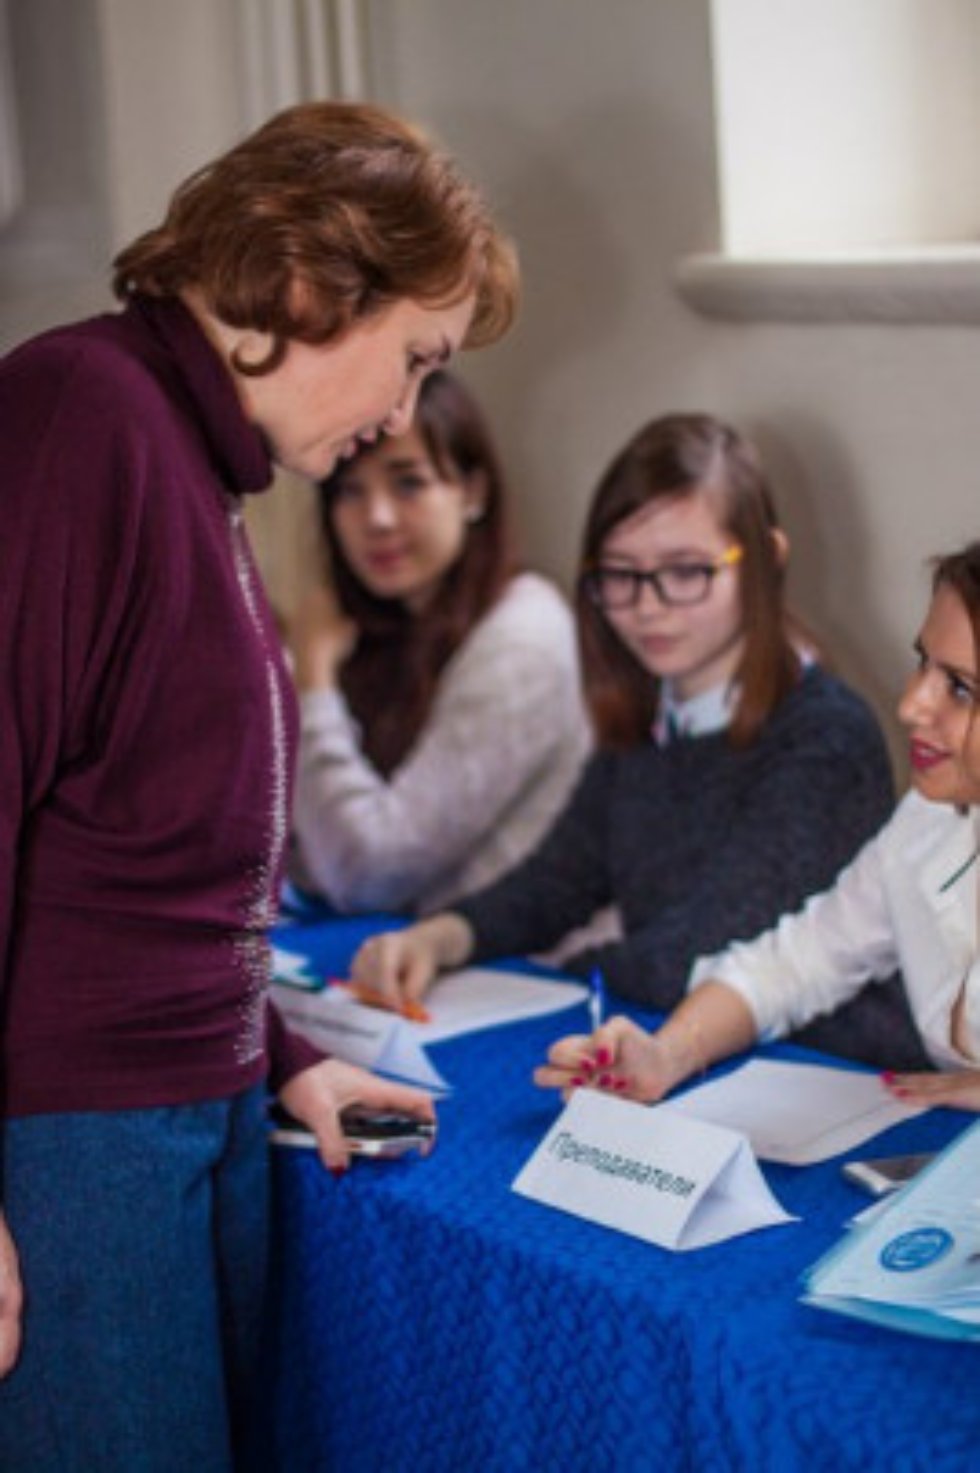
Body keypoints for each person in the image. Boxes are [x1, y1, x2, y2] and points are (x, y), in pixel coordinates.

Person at [0, 100, 517, 1470]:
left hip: (191, 1105)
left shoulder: (195, 458)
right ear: (308, 283)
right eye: (412, 360)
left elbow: (147, 874)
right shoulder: (81, 413)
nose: (405, 411)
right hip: (81, 1134)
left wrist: (284, 1060)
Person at [348, 413, 926, 1067]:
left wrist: (567, 968)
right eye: (620, 574)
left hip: (831, 1075)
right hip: (686, 1047)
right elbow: (557, 880)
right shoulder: (653, 709)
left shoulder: (825, 735)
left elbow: (704, 950)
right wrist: (441, 937)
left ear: (767, 559)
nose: (648, 606)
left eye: (686, 571)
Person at [533, 542, 980, 1110]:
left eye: (961, 688)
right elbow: (796, 961)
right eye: (924, 664)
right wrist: (666, 1055)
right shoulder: (930, 820)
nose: (912, 705)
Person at [286, 368, 590, 914]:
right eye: (350, 490)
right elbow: (290, 847)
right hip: (399, 958)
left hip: (522, 975)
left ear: (473, 491)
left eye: (408, 483)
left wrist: (313, 687)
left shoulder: (523, 637)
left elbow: (369, 873)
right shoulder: (369, 626)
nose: (376, 519)